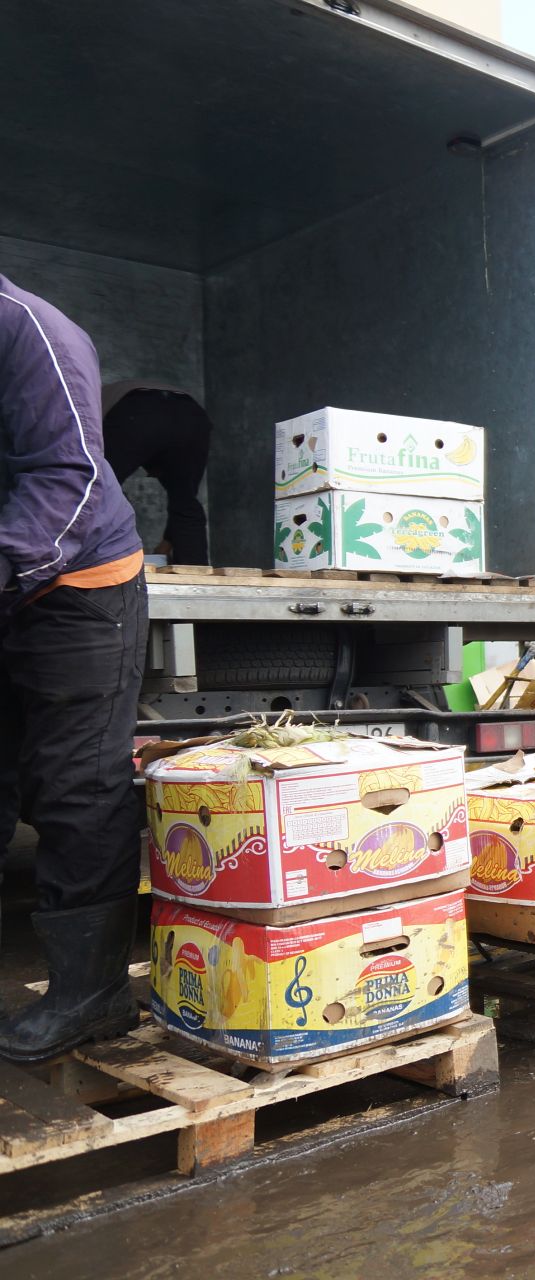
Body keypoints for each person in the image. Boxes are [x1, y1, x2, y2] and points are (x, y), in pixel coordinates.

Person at [0, 273, 149, 1063]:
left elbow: (70, 478)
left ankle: (93, 998)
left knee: (75, 786)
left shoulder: (30, 331)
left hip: (77, 587)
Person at [101, 381, 213, 565]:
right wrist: (166, 546)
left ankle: (111, 564)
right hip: (192, 415)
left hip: (136, 410)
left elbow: (91, 491)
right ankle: (194, 574)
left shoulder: (90, 408)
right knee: (186, 501)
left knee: (101, 490)